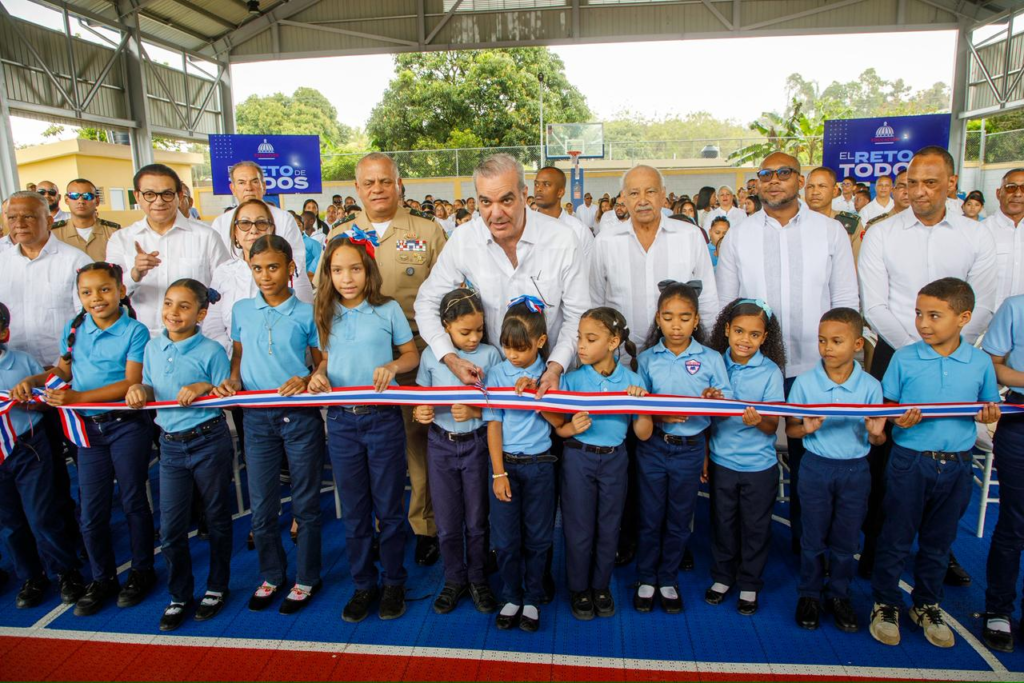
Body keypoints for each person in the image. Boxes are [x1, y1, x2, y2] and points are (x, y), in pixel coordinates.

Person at [858, 147, 996, 586]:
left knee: (947, 454)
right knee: (885, 453)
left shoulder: (977, 235)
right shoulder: (882, 233)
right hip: (895, 351)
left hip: (957, 356)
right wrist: (917, 352)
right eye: (912, 182)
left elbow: (983, 304)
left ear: (951, 184)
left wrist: (947, 349)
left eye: (930, 183)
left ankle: (940, 549)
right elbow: (874, 304)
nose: (918, 191)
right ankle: (876, 544)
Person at [717, 153, 859, 554]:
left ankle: (808, 548)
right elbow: (726, 305)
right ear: (757, 182)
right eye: (766, 174)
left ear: (800, 180)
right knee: (744, 445)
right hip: (754, 366)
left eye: (783, 173)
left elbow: (846, 299)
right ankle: (739, 548)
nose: (774, 180)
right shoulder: (739, 235)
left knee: (810, 460)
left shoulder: (830, 232)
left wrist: (843, 362)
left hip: (816, 366)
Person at [324, 152, 448, 567]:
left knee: (418, 445)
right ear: (357, 189)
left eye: (385, 181)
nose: (377, 189)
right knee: (371, 452)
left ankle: (424, 526)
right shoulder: (340, 234)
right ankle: (381, 526)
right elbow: (325, 296)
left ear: (399, 184)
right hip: (360, 360)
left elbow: (448, 291)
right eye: (368, 183)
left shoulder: (428, 231)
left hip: (415, 353)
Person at [14, 262, 154, 617]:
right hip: (86, 430)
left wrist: (78, 397)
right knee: (91, 510)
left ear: (121, 291)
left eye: (105, 289)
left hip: (125, 425)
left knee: (133, 500)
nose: (96, 298)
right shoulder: (75, 328)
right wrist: (33, 380)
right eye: (86, 292)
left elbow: (130, 382)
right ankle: (103, 578)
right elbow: (63, 370)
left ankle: (142, 571)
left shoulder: (135, 331)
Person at [869, 278, 1001, 649]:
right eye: (918, 314)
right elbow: (887, 407)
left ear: (964, 318)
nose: (923, 324)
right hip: (910, 461)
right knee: (895, 536)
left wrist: (988, 415)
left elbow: (987, 406)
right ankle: (885, 603)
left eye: (933, 316)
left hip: (958, 464)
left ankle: (926, 603)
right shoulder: (904, 357)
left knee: (939, 541)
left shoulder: (979, 362)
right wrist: (897, 418)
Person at [414, 153, 590, 399]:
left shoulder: (562, 239)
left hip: (551, 385)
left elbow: (577, 316)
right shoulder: (464, 239)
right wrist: (451, 357)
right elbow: (427, 302)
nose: (496, 213)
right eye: (486, 202)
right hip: (489, 384)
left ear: (524, 194)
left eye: (506, 200)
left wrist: (555, 367)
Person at [308, 234, 420, 623]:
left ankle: (393, 583)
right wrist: (319, 375)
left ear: (368, 270)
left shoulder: (387, 309)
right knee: (355, 512)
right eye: (338, 270)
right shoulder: (324, 312)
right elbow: (324, 360)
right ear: (328, 274)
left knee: (389, 508)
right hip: (341, 422)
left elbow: (411, 355)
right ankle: (363, 585)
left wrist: (392, 366)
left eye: (355, 269)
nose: (347, 278)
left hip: (383, 419)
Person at [213, 235, 325, 616]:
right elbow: (238, 356)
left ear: (291, 268)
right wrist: (233, 381)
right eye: (257, 268)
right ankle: (272, 575)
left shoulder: (307, 313)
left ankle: (307, 577)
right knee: (261, 506)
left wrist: (308, 379)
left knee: (306, 503)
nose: (265, 275)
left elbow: (322, 362)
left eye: (273, 267)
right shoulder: (242, 310)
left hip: (300, 417)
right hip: (257, 418)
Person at [126, 280, 233, 631]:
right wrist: (139, 388)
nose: (173, 312)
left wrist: (204, 387)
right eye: (169, 303)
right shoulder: (152, 347)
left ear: (201, 314)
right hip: (170, 444)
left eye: (184, 306)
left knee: (216, 518)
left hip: (208, 439)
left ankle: (217, 587)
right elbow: (149, 385)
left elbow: (225, 392)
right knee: (171, 528)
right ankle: (180, 595)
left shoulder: (212, 350)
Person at [787, 308, 885, 633]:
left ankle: (840, 594)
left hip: (855, 470)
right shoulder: (804, 383)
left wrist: (876, 434)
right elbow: (791, 429)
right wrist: (806, 428)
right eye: (822, 340)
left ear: (857, 344)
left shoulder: (870, 386)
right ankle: (810, 594)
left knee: (846, 539)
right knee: (812, 536)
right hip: (816, 467)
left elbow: (879, 437)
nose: (827, 347)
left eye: (836, 341)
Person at [0, 190, 90, 549]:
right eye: (12, 217)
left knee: (80, 463)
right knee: (39, 471)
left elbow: (86, 321)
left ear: (50, 218)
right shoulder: (1, 260)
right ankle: (55, 546)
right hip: (15, 387)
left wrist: (61, 366)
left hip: (65, 381)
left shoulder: (73, 260)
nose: (19, 224)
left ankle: (80, 538)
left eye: (29, 216)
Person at [634, 282, 729, 615]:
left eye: (685, 318)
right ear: (658, 319)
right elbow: (639, 408)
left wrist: (714, 399)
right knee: (650, 516)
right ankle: (646, 578)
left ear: (696, 320)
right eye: (669, 317)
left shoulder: (712, 359)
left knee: (679, 518)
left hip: (690, 449)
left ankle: (668, 579)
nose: (676, 325)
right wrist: (660, 414)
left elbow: (725, 405)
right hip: (654, 448)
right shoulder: (646, 359)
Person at [554, 307, 650, 621]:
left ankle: (601, 586)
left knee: (609, 528)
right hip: (578, 458)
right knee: (579, 527)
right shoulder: (571, 380)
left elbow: (643, 434)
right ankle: (579, 588)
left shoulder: (632, 381)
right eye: (579, 338)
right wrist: (571, 428)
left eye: (590, 339)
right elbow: (559, 427)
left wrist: (642, 406)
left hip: (614, 461)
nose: (581, 345)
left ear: (613, 342)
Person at [412, 288, 502, 615]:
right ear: (446, 326)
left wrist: (476, 412)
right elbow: (420, 399)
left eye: (479, 330)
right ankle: (453, 579)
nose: (474, 338)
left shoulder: (491, 356)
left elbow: (500, 405)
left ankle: (477, 577)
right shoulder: (431, 356)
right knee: (447, 521)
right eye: (465, 332)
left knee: (477, 519)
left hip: (477, 444)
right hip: (440, 444)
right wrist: (420, 412)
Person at [0, 302, 86, 610]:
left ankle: (65, 571)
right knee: (9, 522)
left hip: (28, 447)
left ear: (4, 333)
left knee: (42, 514)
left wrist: (33, 403)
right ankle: (31, 576)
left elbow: (47, 400)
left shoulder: (23, 362)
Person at [704, 299, 787, 615]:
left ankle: (750, 583)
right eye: (739, 331)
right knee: (722, 523)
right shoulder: (714, 364)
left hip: (759, 467)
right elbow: (706, 417)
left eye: (754, 334)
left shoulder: (770, 372)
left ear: (764, 337)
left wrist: (758, 421)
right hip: (722, 462)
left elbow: (772, 426)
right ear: (726, 330)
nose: (745, 340)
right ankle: (723, 577)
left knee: (755, 527)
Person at [483, 298, 561, 633]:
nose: (512, 355)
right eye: (507, 347)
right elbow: (494, 424)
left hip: (540, 466)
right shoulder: (497, 373)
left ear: (541, 342)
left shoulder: (550, 375)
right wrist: (498, 472)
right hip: (507, 466)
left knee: (539, 538)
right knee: (505, 539)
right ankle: (511, 595)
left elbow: (559, 422)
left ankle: (532, 597)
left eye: (520, 348)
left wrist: (537, 394)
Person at [591, 164, 720, 357]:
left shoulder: (690, 236)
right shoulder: (605, 241)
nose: (643, 200)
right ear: (623, 198)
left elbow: (708, 299)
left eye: (650, 191)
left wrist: (707, 352)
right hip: (620, 358)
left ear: (663, 195)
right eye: (634, 193)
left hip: (678, 358)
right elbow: (595, 303)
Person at [106, 164, 228, 336]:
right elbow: (108, 291)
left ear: (179, 196)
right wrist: (135, 274)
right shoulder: (121, 239)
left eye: (167, 194)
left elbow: (226, 287)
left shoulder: (207, 237)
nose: (159, 201)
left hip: (196, 338)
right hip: (140, 338)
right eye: (150, 194)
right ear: (137, 196)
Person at [980, 293, 1024, 652]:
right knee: (1014, 520)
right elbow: (993, 365)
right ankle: (998, 610)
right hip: (1019, 420)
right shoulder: (1016, 306)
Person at [209, 161, 306, 271]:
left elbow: (296, 260)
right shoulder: (221, 223)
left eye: (254, 181)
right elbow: (217, 265)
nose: (248, 188)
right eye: (242, 183)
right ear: (233, 189)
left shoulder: (284, 219)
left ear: (264, 186)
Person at [533, 166, 594, 266]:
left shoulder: (579, 231)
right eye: (536, 184)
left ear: (560, 192)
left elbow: (589, 270)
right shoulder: (523, 228)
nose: (538, 189)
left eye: (546, 184)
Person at [983, 169, 1024, 312]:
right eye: (1011, 187)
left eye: (1023, 188)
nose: (1018, 194)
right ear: (998, 193)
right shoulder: (981, 231)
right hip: (987, 320)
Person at [51, 178, 120, 261]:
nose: (81, 201)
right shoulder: (53, 234)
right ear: (66, 200)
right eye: (74, 196)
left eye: (87, 196)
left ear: (97, 201)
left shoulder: (114, 232)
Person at [854, 170, 911, 261]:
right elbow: (861, 237)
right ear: (875, 187)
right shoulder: (866, 210)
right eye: (880, 185)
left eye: (887, 185)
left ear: (892, 188)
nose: (883, 188)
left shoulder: (902, 206)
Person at [804, 167, 862, 243]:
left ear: (834, 191)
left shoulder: (851, 224)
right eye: (810, 187)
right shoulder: (793, 222)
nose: (815, 192)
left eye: (822, 186)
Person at [300, 211, 324, 281]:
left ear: (311, 221)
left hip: (310, 277)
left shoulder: (320, 237)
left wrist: (311, 271)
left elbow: (319, 257)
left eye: (301, 222)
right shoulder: (294, 241)